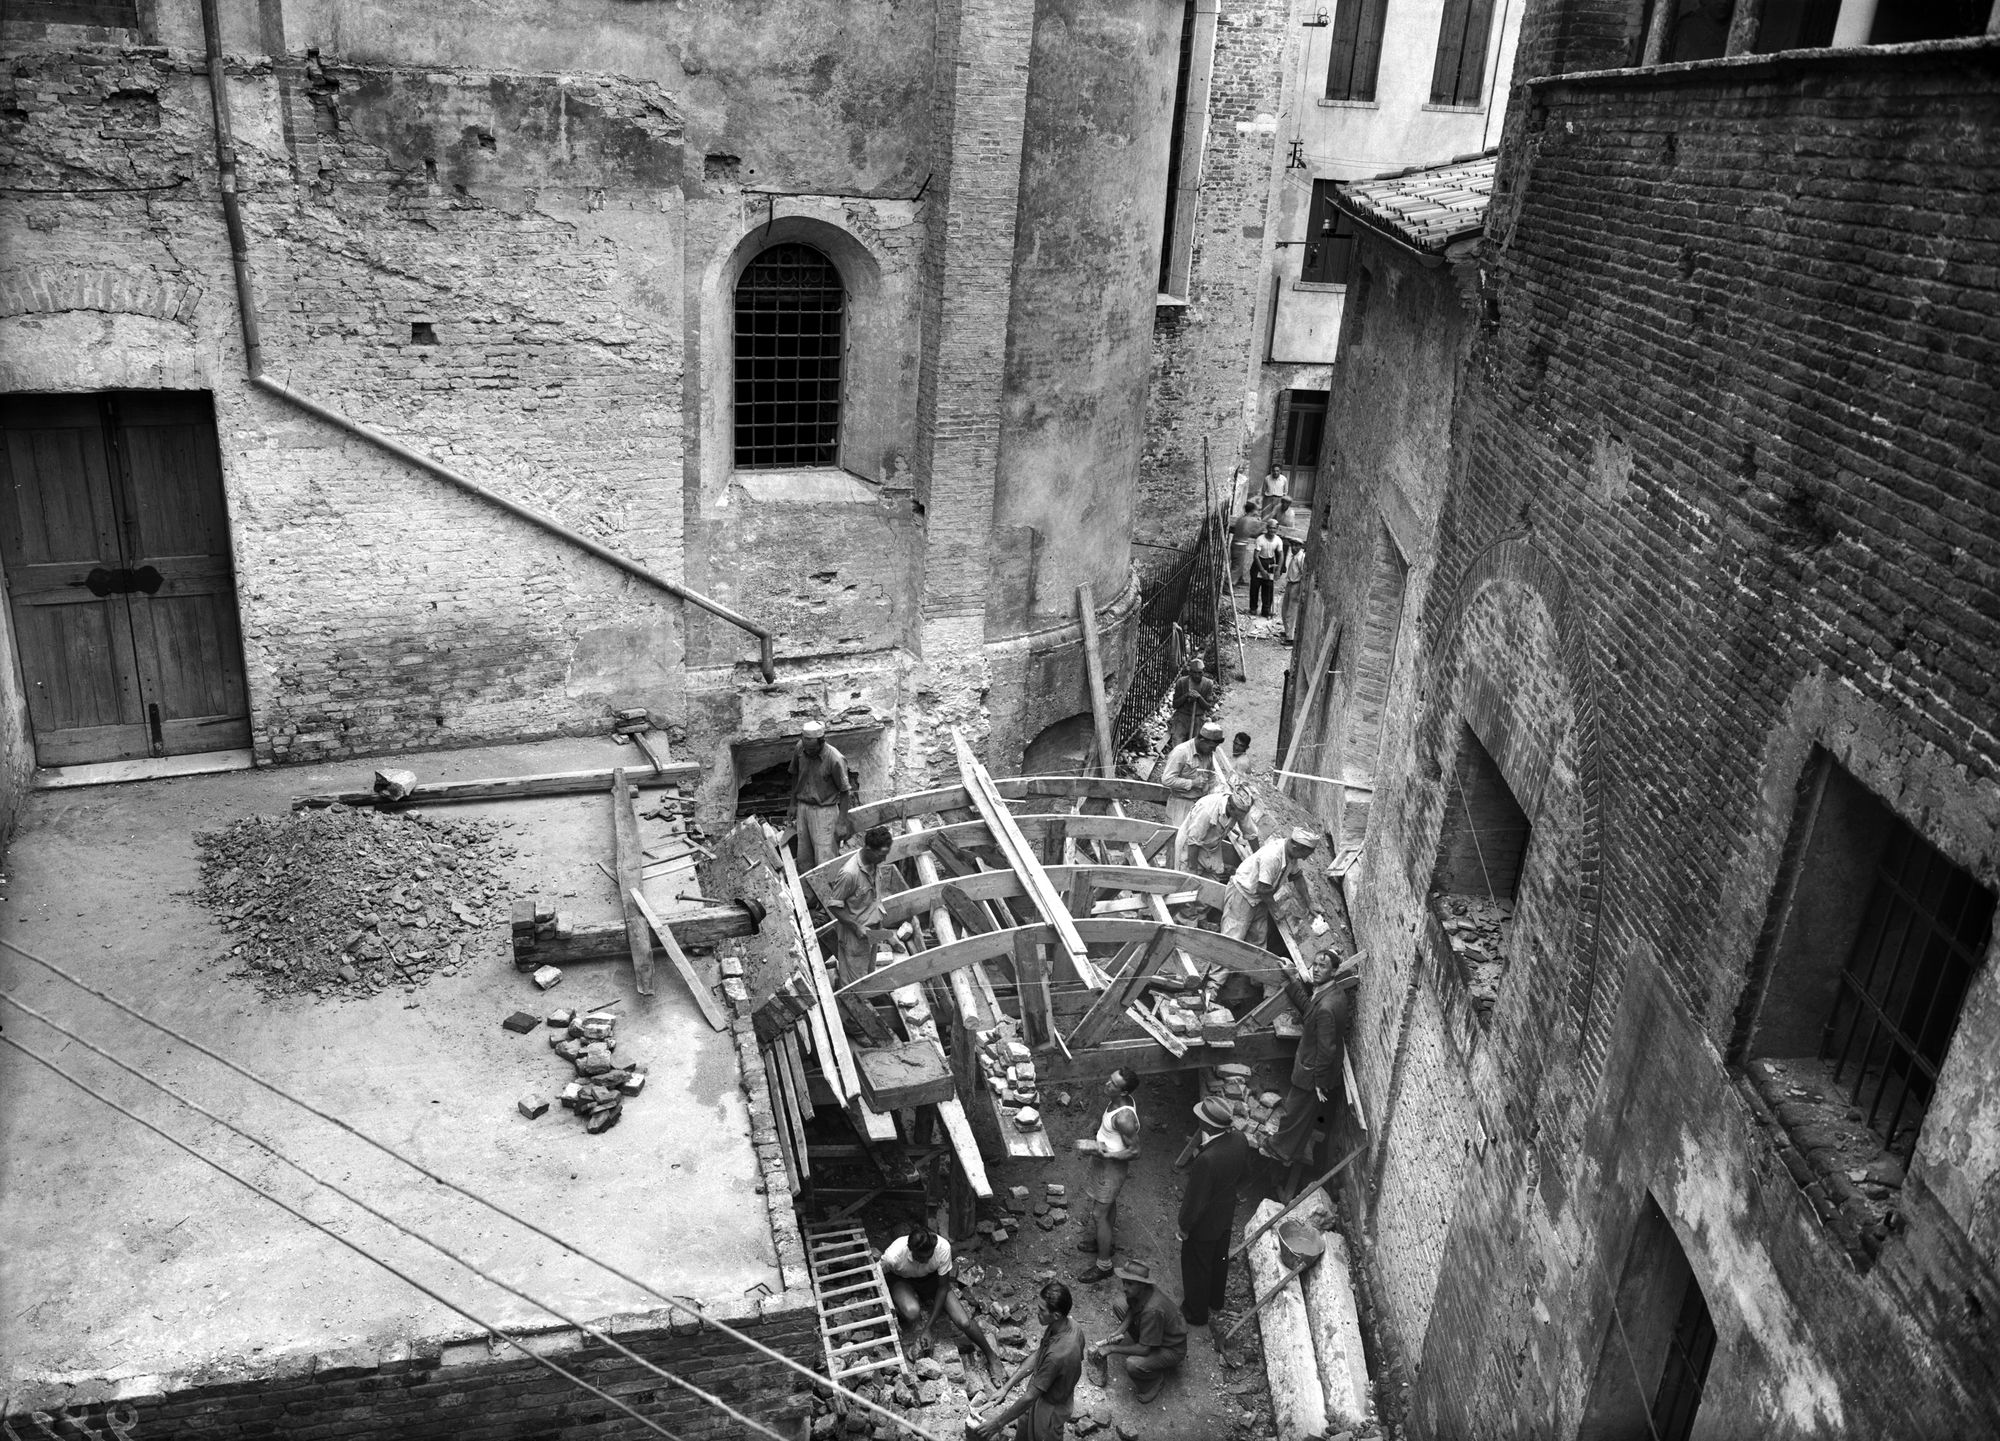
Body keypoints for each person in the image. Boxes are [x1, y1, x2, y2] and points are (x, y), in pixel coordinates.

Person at [1270, 951, 1359, 1190]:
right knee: (1302, 1112)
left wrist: (1319, 1082)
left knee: (1295, 1111)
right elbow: (1309, 1010)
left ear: (1334, 971)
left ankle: (1281, 1150)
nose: (1317, 969)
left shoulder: (1327, 1007)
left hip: (1313, 1070)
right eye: (1315, 964)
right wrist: (1291, 979)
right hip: (1315, 1067)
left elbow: (1327, 1049)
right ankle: (1286, 1148)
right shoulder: (1331, 993)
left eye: (1323, 966)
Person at [880, 1224, 1006, 1381]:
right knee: (912, 1312)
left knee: (964, 1321)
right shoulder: (894, 1256)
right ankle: (907, 1302)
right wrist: (890, 1308)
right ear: (910, 1250)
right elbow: (880, 1279)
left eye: (929, 1256)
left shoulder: (942, 1247)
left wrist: (928, 1328)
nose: (925, 1260)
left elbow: (942, 1287)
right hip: (902, 1280)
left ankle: (992, 1357)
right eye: (921, 1257)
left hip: (930, 1280)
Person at [970, 1280, 1084, 1441]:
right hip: (1041, 1393)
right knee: (1024, 1423)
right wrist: (1006, 1388)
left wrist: (997, 1424)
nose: (1036, 1312)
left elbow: (1030, 1396)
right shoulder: (1066, 1325)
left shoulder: (1059, 1354)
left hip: (1050, 1407)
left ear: (1056, 1315)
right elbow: (1039, 1354)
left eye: (1042, 1310)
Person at [1179, 1097, 1252, 1349]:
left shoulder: (1206, 1160)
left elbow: (1195, 1200)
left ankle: (1196, 1312)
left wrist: (1184, 1226)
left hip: (1205, 1223)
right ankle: (1215, 1300)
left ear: (1207, 1125)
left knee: (1196, 1265)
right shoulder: (1240, 1140)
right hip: (1225, 1213)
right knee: (1219, 1258)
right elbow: (1246, 1173)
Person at [1087, 1259, 1187, 1404]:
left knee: (1133, 1364)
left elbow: (1144, 1350)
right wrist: (1120, 1330)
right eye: (1124, 1282)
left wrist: (1112, 1348)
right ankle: (1146, 1338)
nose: (1124, 1288)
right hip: (1156, 1331)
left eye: (1130, 1284)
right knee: (1119, 1304)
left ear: (1142, 1284)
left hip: (1172, 1348)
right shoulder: (1141, 1292)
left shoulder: (1153, 1310)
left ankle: (1154, 1382)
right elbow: (1132, 1308)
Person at [1075, 1067, 1142, 1284]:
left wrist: (1108, 1154)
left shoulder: (1124, 1117)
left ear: (1124, 1092)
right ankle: (1105, 1242)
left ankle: (1104, 1265)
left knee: (1098, 1214)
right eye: (1110, 1079)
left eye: (1113, 1084)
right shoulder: (1118, 1101)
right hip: (1104, 1162)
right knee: (1108, 1205)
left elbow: (1135, 1151)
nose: (1107, 1084)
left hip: (1111, 1169)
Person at [1222, 827, 1319, 951]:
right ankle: (1219, 963)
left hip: (1260, 899)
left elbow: (1297, 877)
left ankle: (1247, 963)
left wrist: (1309, 903)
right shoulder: (1273, 856)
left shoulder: (1291, 853)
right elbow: (1262, 888)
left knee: (1258, 942)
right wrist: (1276, 909)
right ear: (1295, 847)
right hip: (1243, 895)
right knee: (1232, 938)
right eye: (1303, 855)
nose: (1304, 859)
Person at [824, 825, 894, 983]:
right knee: (855, 984)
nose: (884, 860)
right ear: (868, 849)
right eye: (881, 855)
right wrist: (856, 927)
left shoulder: (874, 863)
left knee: (868, 974)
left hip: (871, 931)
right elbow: (833, 906)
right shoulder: (849, 874)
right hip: (855, 936)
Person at [788, 721, 853, 871]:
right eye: (806, 748)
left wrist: (842, 822)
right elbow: (795, 775)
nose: (809, 752)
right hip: (803, 807)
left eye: (812, 749)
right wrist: (792, 803)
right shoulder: (800, 748)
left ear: (822, 742)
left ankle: (828, 886)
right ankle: (806, 886)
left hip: (825, 811)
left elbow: (845, 792)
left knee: (825, 860)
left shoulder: (835, 759)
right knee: (804, 857)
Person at [1160, 720, 1234, 827]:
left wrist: (1218, 791)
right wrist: (1192, 783)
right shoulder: (1181, 752)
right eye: (1211, 747)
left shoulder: (1207, 752)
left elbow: (1211, 775)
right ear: (1202, 740)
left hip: (1199, 804)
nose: (1213, 750)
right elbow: (1166, 779)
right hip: (1181, 804)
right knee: (1176, 835)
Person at [1173, 785, 1254, 881]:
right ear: (1230, 808)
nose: (1240, 818)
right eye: (1238, 816)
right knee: (1187, 881)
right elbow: (1193, 841)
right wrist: (1192, 870)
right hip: (1190, 845)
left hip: (1211, 846)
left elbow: (1251, 834)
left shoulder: (1241, 809)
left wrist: (1258, 859)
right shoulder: (1207, 810)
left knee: (1214, 878)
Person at [1167, 655, 1216, 748]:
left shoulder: (1208, 684)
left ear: (1203, 672)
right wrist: (1186, 695)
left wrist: (1199, 697)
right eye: (1194, 673)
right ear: (1190, 672)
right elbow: (1175, 704)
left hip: (1198, 718)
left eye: (1199, 673)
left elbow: (1208, 707)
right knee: (1177, 745)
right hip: (1182, 717)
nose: (1197, 675)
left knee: (1196, 747)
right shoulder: (1181, 682)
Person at [1249, 520, 1283, 618]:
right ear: (1267, 528)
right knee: (1255, 586)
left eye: (1274, 528)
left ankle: (1266, 610)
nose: (1272, 530)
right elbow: (1256, 556)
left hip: (1270, 563)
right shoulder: (1260, 539)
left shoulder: (1278, 540)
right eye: (1270, 528)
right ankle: (1253, 608)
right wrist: (1262, 570)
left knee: (1268, 587)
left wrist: (1278, 570)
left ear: (1277, 529)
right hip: (1259, 562)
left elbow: (1281, 555)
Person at [1228, 502, 1263, 587]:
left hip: (1235, 543)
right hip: (1240, 545)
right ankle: (1228, 584)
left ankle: (1238, 580)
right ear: (1253, 510)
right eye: (1256, 510)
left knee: (1237, 565)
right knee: (1237, 567)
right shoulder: (1251, 520)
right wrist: (1263, 526)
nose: (1257, 512)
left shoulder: (1242, 518)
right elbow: (1255, 533)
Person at [1280, 541, 1307, 645]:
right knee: (1285, 609)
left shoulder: (1301, 558)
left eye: (1296, 546)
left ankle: (1290, 638)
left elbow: (1304, 574)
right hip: (1290, 584)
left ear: (1300, 547)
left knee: (1291, 612)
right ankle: (1287, 631)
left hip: (1296, 585)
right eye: (1292, 545)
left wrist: (1301, 590)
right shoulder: (1294, 557)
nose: (1293, 548)